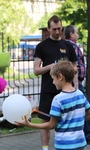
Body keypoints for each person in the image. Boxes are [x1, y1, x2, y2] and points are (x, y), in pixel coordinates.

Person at [16, 60, 90, 150]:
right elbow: (88, 113)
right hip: (80, 143)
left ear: (60, 77)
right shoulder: (80, 94)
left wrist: (30, 124)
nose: (53, 82)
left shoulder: (58, 99)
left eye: (53, 79)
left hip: (64, 145)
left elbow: (51, 125)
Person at [33, 15, 78, 150]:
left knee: (67, 120)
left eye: (60, 29)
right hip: (48, 89)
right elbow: (36, 70)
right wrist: (51, 67)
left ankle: (68, 146)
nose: (58, 32)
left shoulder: (68, 45)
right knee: (45, 121)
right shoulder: (41, 46)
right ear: (48, 29)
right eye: (54, 29)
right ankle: (45, 148)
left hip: (66, 91)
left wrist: (67, 69)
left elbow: (76, 67)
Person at [63, 25, 86, 95]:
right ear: (71, 34)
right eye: (76, 33)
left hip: (74, 77)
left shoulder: (66, 44)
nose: (78, 35)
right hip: (76, 77)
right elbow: (74, 62)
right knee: (83, 99)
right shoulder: (72, 45)